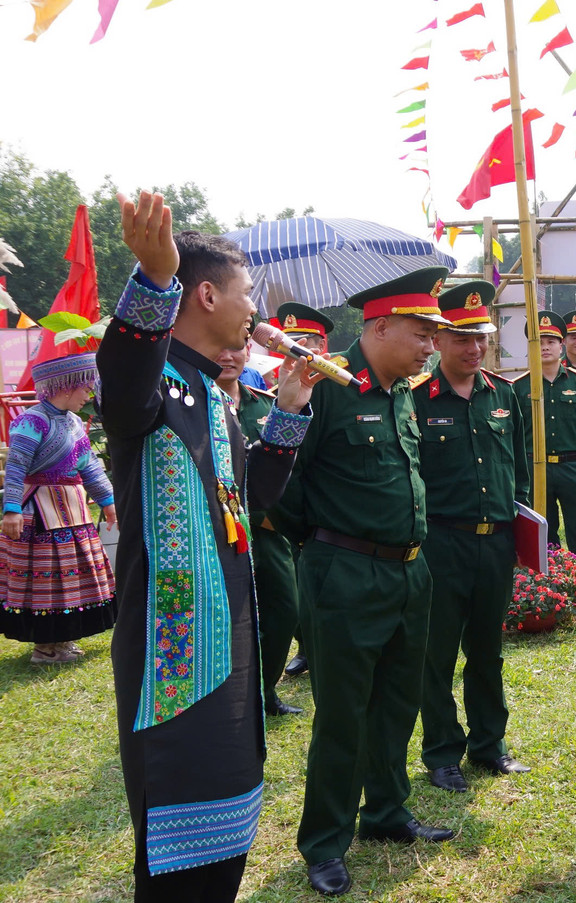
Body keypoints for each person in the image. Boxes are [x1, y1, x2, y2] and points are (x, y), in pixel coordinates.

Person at [98, 191, 316, 901]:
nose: (254, 309)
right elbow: (123, 379)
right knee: (177, 862)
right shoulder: (153, 385)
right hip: (176, 661)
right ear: (206, 292)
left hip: (227, 650)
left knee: (224, 840)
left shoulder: (213, 395)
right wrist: (153, 279)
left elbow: (244, 506)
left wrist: (285, 416)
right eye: (247, 293)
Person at [273, 266, 455, 897]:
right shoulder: (326, 388)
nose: (432, 344)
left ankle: (385, 812)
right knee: (343, 715)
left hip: (408, 571)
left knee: (397, 702)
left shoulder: (401, 391)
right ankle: (324, 842)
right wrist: (330, 545)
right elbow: (282, 493)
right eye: (422, 331)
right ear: (380, 327)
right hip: (345, 574)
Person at [415, 280, 533, 795]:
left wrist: (524, 533)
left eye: (481, 336)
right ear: (438, 339)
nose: (474, 347)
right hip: (442, 543)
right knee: (436, 653)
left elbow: (520, 471)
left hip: (496, 543)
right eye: (462, 337)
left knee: (487, 650)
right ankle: (442, 753)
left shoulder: (503, 394)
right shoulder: (417, 399)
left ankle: (490, 746)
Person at [1, 351, 116, 664]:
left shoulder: (75, 423)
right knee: (46, 578)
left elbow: (88, 466)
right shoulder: (30, 421)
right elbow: (17, 465)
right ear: (67, 387)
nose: (88, 395)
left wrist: (108, 502)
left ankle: (62, 640)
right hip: (37, 512)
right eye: (85, 389)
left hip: (70, 510)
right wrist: (11, 508)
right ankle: (44, 647)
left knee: (69, 576)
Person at [213, 338, 303, 716]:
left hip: (267, 532)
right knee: (228, 620)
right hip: (219, 537)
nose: (228, 356)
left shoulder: (268, 405)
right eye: (220, 347)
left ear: (249, 354)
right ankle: (229, 698)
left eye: (237, 348)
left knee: (284, 611)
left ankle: (265, 690)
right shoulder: (197, 405)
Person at [267, 302, 333, 679]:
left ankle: (315, 645)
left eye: (302, 344)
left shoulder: (334, 392)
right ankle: (304, 645)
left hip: (319, 509)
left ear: (320, 347)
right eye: (286, 344)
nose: (290, 352)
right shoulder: (274, 395)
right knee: (290, 588)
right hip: (281, 508)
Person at [514, 310, 576, 558]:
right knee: (542, 527)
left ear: (562, 346)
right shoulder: (519, 387)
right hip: (534, 468)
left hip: (572, 466)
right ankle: (546, 583)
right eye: (540, 342)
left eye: (551, 342)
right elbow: (515, 437)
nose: (545, 347)